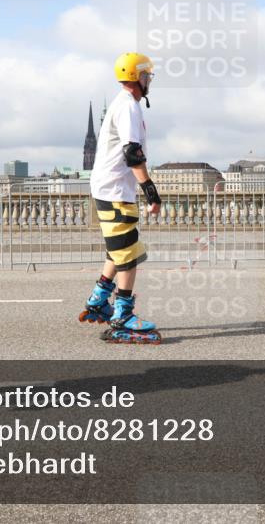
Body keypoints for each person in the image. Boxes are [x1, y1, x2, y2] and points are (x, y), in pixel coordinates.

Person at [78, 52, 162, 344]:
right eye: (147, 75)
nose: (149, 80)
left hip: (111, 188)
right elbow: (132, 153)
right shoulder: (129, 106)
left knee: (120, 248)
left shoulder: (124, 104)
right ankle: (123, 315)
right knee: (129, 255)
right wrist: (150, 190)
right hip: (115, 191)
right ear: (137, 77)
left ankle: (99, 299)